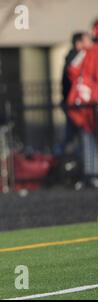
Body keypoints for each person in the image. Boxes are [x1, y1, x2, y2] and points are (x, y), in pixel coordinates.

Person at [67, 20, 98, 189]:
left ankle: (92, 174)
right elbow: (72, 69)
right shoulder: (86, 54)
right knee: (87, 142)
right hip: (85, 107)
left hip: (91, 104)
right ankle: (90, 175)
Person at [56, 32, 93, 156]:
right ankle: (62, 159)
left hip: (75, 103)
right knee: (76, 136)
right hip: (75, 103)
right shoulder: (76, 57)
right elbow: (73, 73)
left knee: (78, 136)